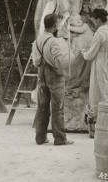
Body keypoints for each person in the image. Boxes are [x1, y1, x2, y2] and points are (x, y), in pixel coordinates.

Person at [32, 13, 76, 145]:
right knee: (58, 107)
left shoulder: (39, 39)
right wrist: (62, 72)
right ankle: (60, 138)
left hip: (41, 73)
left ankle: (40, 137)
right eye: (57, 24)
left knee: (42, 107)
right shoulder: (53, 42)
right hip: (54, 74)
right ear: (54, 26)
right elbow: (58, 61)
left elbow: (35, 61)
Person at [79, 8, 108, 136]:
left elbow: (90, 55)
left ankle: (94, 129)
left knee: (96, 94)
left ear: (99, 19)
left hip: (99, 66)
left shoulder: (99, 34)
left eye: (94, 19)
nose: (93, 22)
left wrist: (84, 52)